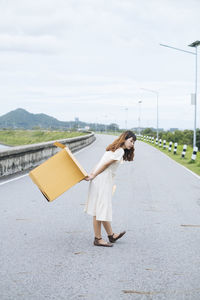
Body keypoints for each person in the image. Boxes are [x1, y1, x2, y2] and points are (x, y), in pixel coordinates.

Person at [84, 131, 136, 247]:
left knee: (102, 207)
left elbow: (100, 163)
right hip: (103, 180)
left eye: (133, 142)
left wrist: (92, 174)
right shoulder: (120, 151)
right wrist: (93, 175)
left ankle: (111, 235)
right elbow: (105, 165)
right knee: (100, 209)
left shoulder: (112, 149)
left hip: (99, 179)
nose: (132, 144)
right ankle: (98, 238)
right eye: (131, 141)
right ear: (124, 139)